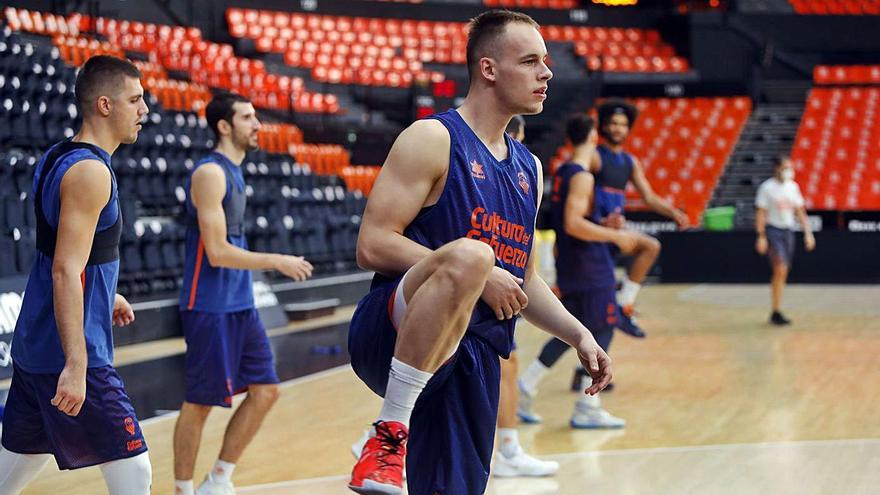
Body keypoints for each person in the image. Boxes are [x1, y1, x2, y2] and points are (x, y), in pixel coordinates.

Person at [347, 10, 612, 495]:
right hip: (393, 328)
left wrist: (580, 335)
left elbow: (525, 280)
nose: (546, 73)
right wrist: (477, 272)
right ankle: (386, 432)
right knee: (473, 256)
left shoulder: (529, 169)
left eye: (546, 62)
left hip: (476, 350)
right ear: (488, 69)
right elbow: (373, 243)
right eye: (530, 61)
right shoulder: (433, 138)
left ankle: (392, 448)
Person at [0, 55, 152, 494]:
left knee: (12, 470)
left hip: (36, 343)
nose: (144, 110)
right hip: (67, 352)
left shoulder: (58, 156)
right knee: (134, 470)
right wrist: (77, 364)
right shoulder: (90, 172)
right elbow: (66, 269)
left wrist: (108, 295)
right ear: (105, 105)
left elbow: (70, 253)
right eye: (135, 99)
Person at [172, 93, 313, 495]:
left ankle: (217, 479)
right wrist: (277, 261)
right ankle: (182, 488)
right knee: (200, 402)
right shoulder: (210, 174)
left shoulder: (235, 172)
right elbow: (216, 253)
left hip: (240, 304)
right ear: (224, 126)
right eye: (248, 117)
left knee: (266, 391)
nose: (257, 124)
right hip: (209, 305)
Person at [518, 115, 631, 429]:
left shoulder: (562, 170)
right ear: (594, 137)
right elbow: (573, 223)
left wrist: (602, 224)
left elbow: (566, 221)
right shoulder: (583, 176)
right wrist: (615, 235)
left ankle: (527, 384)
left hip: (571, 261)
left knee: (572, 332)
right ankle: (588, 404)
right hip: (591, 266)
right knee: (606, 326)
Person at [494, 115, 559, 476]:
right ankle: (386, 429)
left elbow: (529, 273)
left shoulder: (527, 171)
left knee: (507, 366)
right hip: (468, 298)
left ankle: (508, 447)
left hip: (506, 292)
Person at [755, 155, 815, 325]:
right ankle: (776, 310)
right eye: (786, 167)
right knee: (780, 268)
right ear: (777, 168)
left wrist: (808, 233)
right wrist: (761, 236)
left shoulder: (792, 187)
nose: (789, 171)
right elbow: (760, 212)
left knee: (783, 271)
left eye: (791, 167)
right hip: (773, 230)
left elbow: (800, 211)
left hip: (788, 230)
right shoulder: (767, 188)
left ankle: (776, 309)